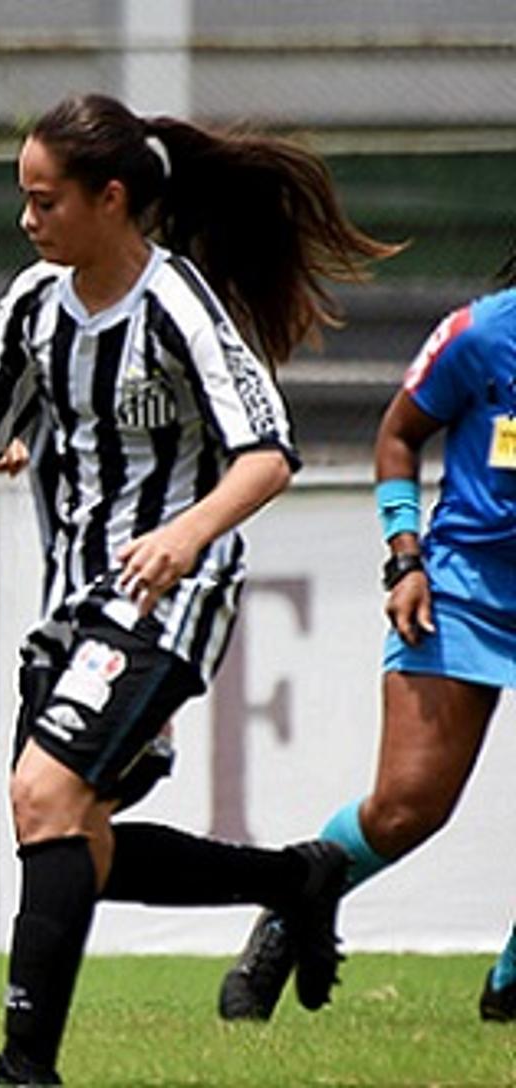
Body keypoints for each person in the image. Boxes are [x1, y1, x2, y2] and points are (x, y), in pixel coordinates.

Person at [0, 92, 398, 1086]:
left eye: (44, 201)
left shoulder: (179, 303)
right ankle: (296, 877)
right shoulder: (34, 304)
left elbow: (267, 456)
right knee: (71, 838)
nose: (26, 219)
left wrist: (184, 533)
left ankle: (22, 1069)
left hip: (174, 592)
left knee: (42, 793)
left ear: (109, 199)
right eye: (23, 199)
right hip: (75, 602)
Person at [217, 252, 516, 1024]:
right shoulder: (479, 335)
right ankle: (291, 907)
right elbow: (398, 436)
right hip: (463, 591)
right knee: (406, 809)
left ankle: (510, 985)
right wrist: (404, 559)